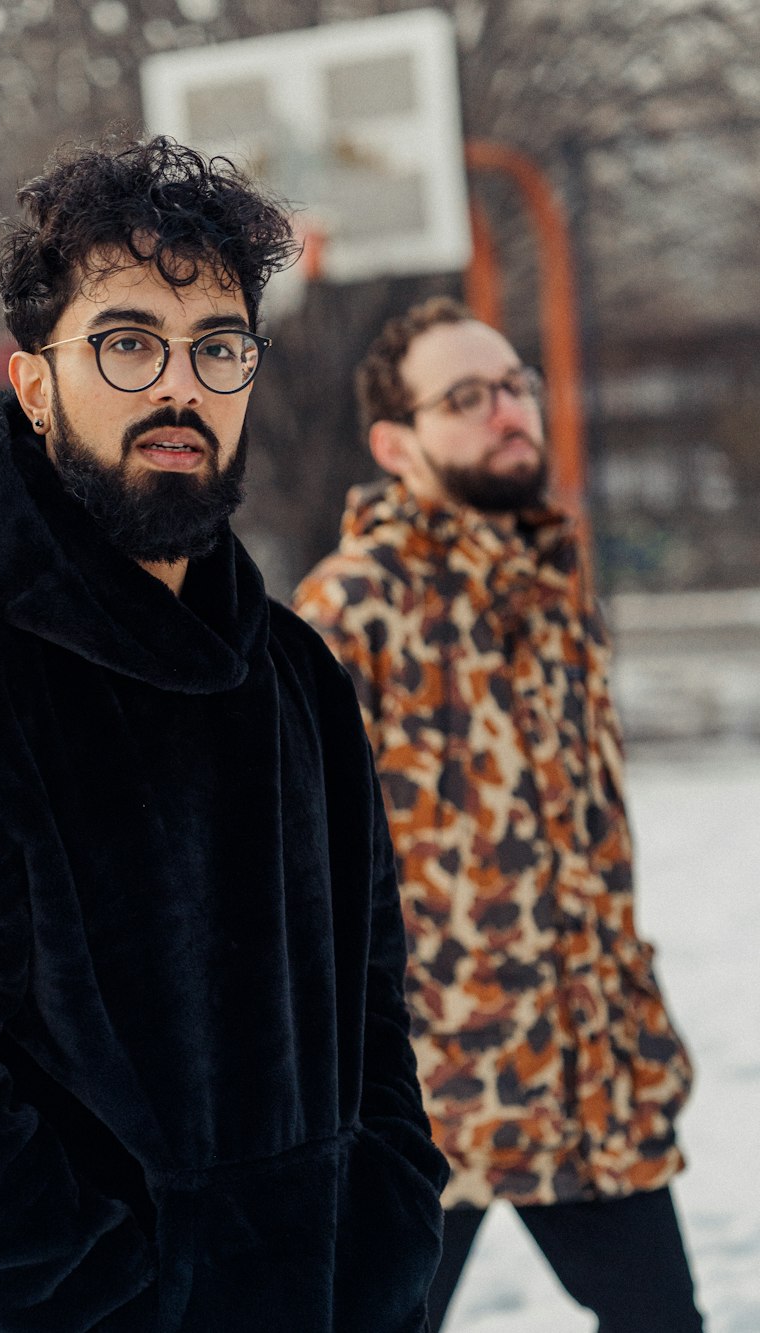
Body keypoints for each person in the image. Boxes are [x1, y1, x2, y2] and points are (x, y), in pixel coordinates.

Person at [0, 138, 448, 1333]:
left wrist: (387, 1245)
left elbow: (373, 1021)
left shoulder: (296, 675)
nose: (180, 386)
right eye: (127, 341)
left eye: (217, 347)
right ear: (35, 381)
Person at [293, 296, 703, 1332]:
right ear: (396, 442)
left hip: (585, 1072)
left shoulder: (554, 587)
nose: (507, 411)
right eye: (466, 397)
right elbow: (296, 864)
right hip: (426, 1093)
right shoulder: (350, 607)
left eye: (515, 385)